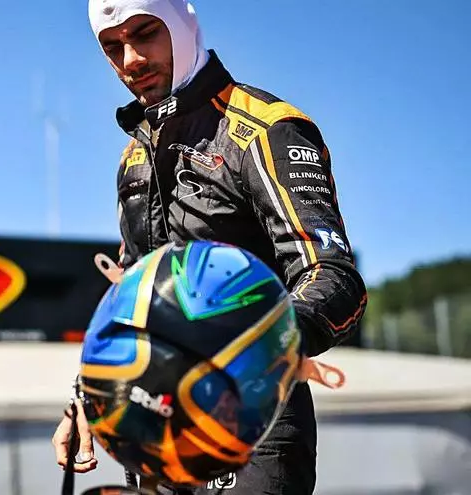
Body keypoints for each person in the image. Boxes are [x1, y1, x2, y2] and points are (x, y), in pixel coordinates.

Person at [52, 0, 368, 493]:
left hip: (251, 423)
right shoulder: (134, 155)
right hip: (154, 427)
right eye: (112, 47)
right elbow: (130, 298)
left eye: (145, 33)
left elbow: (334, 277)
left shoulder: (266, 129)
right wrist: (88, 399)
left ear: (182, 25)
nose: (131, 59)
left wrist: (249, 345)